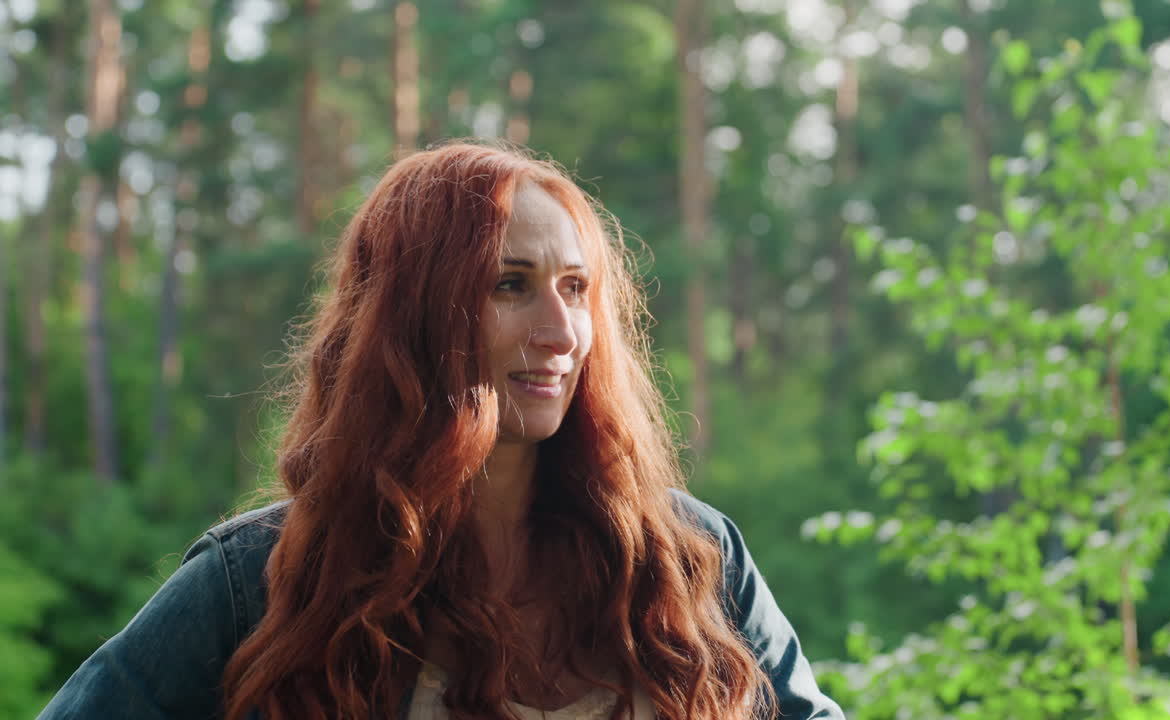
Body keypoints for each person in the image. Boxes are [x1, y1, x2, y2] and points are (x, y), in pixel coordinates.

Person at [38, 141, 843, 720]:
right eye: (509, 285)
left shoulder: (688, 559)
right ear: (411, 317)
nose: (562, 331)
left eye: (574, 287)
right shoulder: (262, 584)